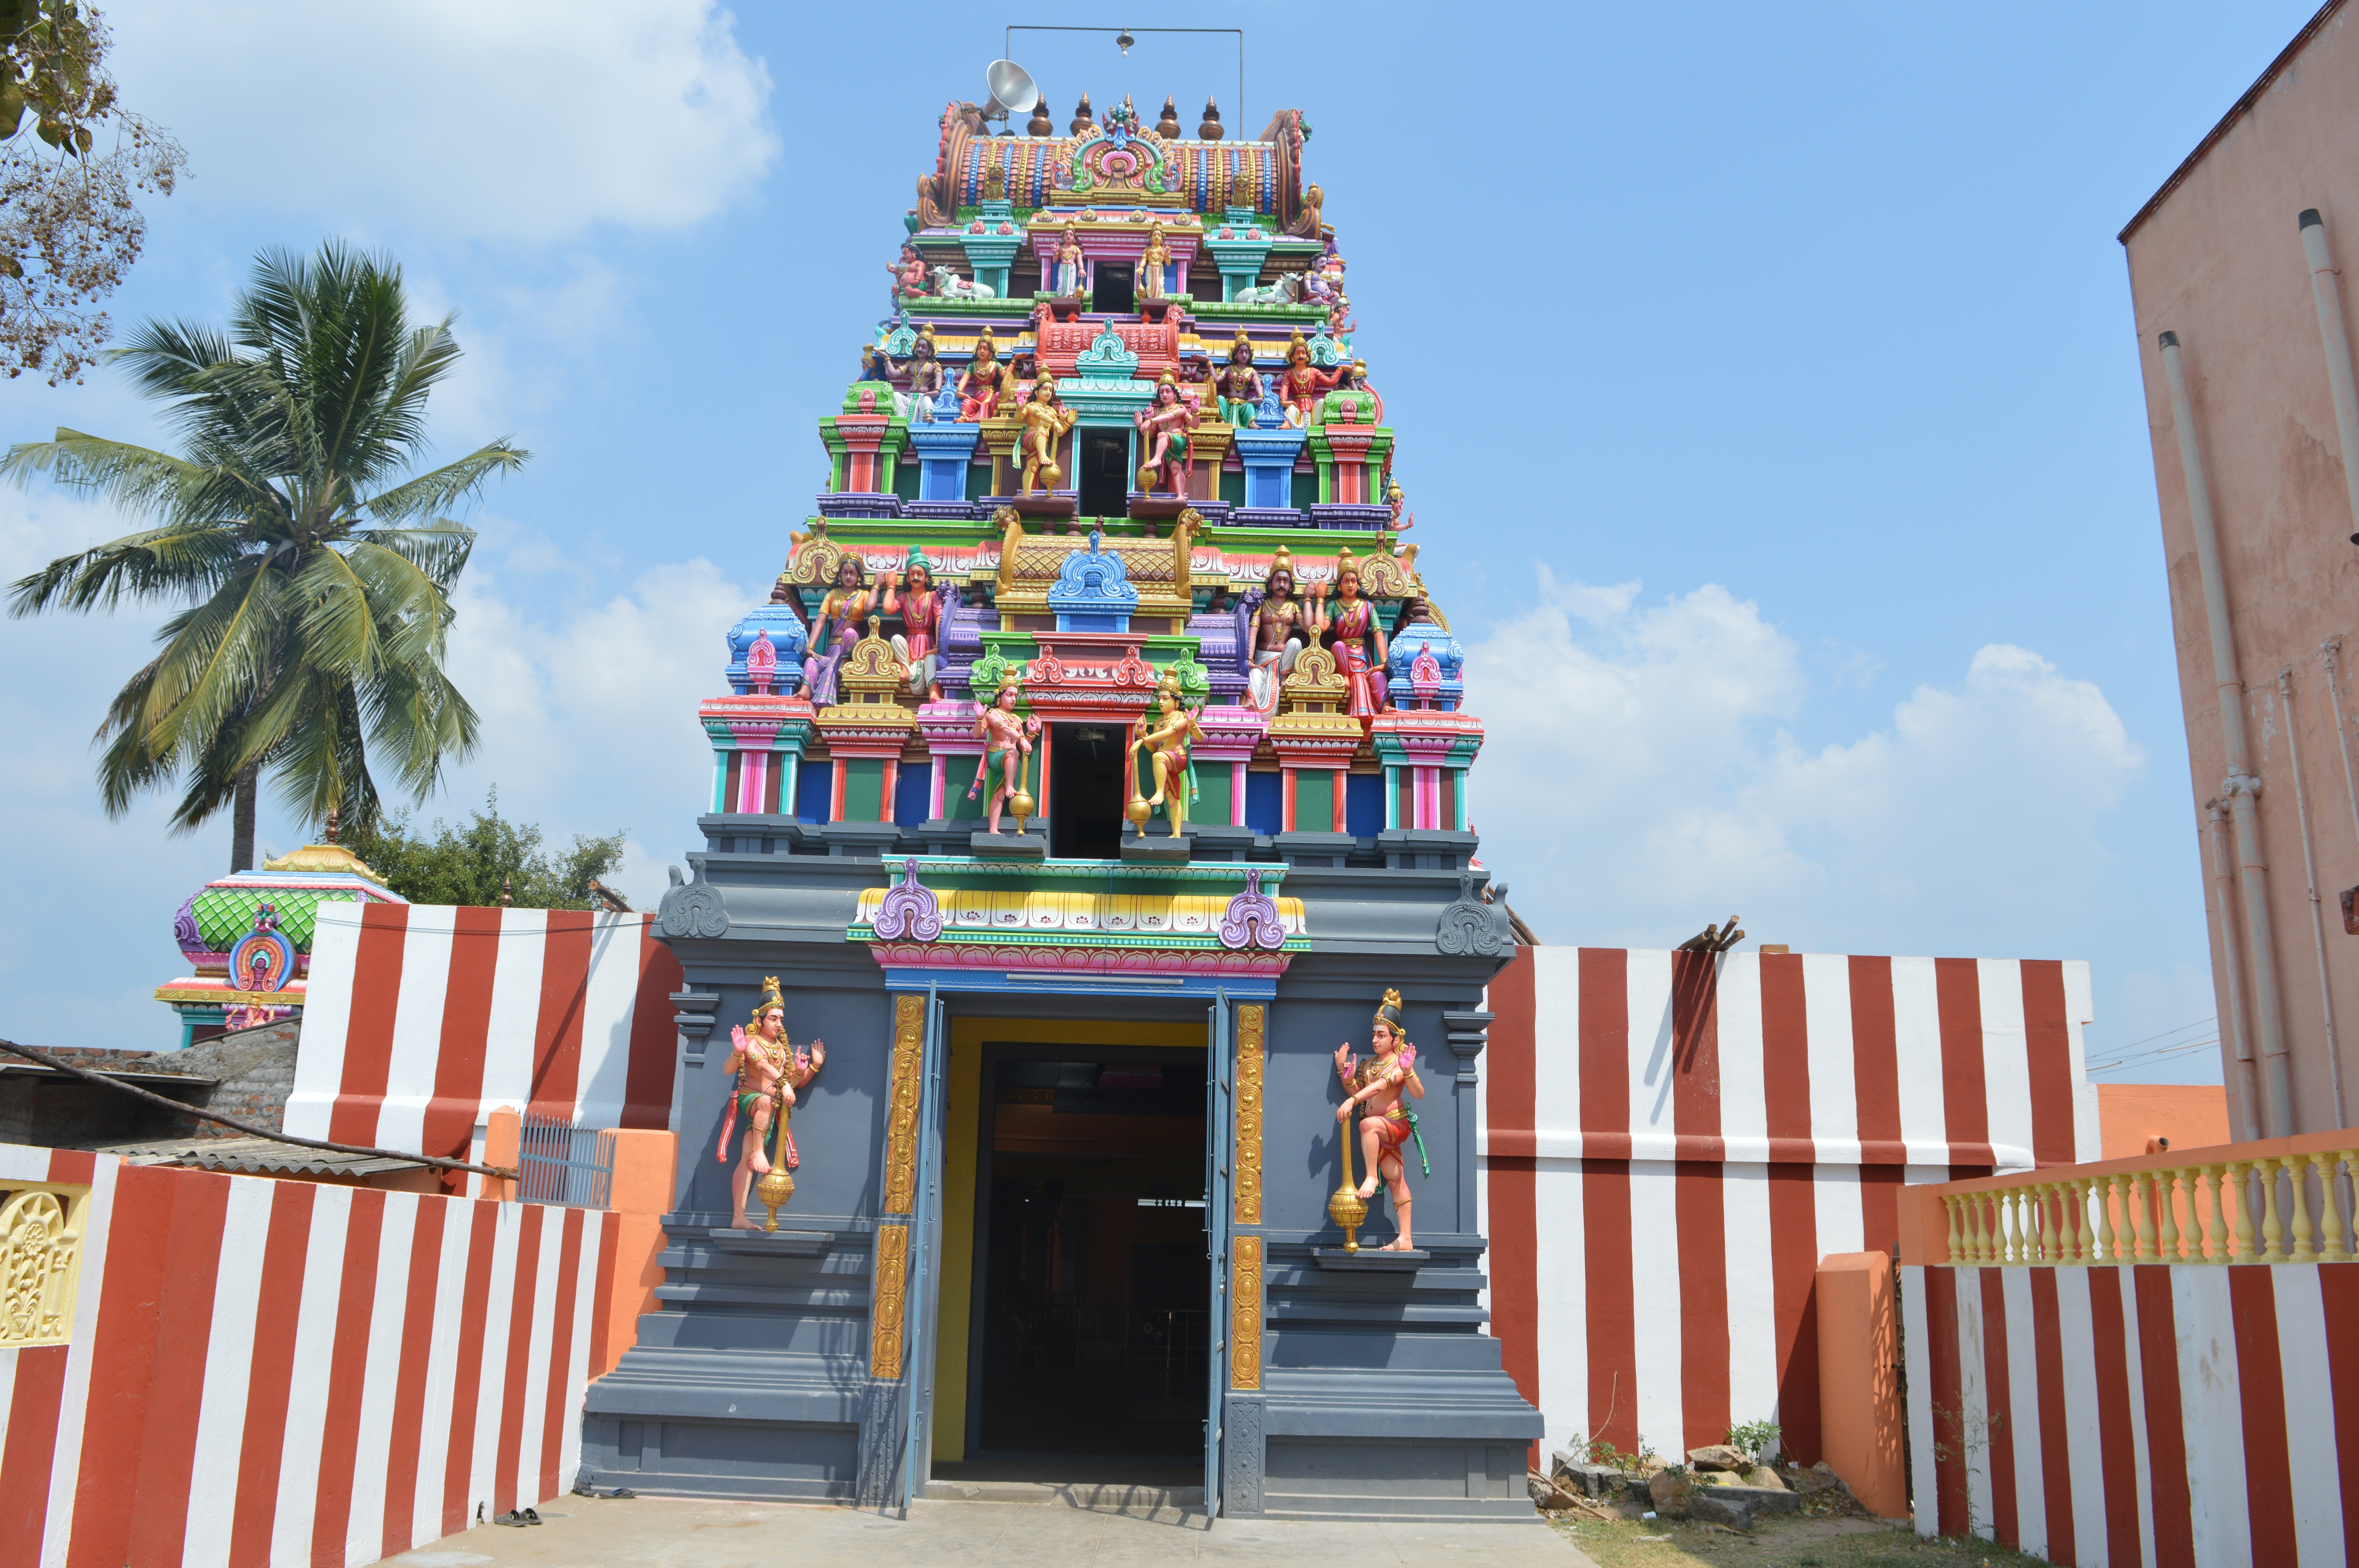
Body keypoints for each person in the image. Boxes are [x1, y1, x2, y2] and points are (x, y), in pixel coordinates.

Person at [718, 978, 825, 1230]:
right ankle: (759, 1152)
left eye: (781, 1020)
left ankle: (738, 1218)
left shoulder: (782, 1049)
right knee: (766, 1102)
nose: (778, 1024)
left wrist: (810, 1068)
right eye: (773, 1019)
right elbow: (762, 1067)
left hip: (766, 1114)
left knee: (745, 1158)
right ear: (760, 1020)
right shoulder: (753, 1042)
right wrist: (738, 1053)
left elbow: (794, 1084)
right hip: (751, 1100)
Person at [1332, 988, 1425, 1251]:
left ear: (1396, 1040)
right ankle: (1406, 1239)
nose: (1375, 1040)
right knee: (1396, 1180)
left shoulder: (1399, 1064)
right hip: (1376, 1136)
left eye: (1381, 1035)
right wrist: (1346, 1075)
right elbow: (1361, 1095)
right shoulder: (1370, 1065)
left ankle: (1371, 1177)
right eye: (1374, 1034)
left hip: (1395, 1126)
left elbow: (1413, 1092)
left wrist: (1408, 1073)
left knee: (1367, 1124)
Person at [1318, 550, 1389, 719]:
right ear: (1339, 586)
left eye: (1353, 581)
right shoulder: (1334, 606)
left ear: (1358, 584)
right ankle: (1344, 677)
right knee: (1338, 645)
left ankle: (1385, 706)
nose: (1350, 585)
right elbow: (1321, 627)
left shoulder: (1368, 607)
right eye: (1346, 581)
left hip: (1362, 656)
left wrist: (1384, 662)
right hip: (1343, 656)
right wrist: (1321, 599)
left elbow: (1379, 634)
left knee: (1377, 675)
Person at [968, 677, 1041, 833]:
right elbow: (980, 734)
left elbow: (1025, 746)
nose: (1014, 699)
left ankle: (993, 829)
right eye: (1009, 695)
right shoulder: (993, 714)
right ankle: (1010, 785)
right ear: (1000, 697)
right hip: (996, 756)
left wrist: (1033, 732)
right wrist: (979, 718)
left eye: (1016, 696)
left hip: (1010, 761)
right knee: (1013, 753)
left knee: (999, 795)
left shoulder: (1015, 719)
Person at [802, 557, 872, 706]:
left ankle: (844, 663)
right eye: (845, 573)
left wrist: (877, 585)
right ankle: (805, 690)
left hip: (851, 648)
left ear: (859, 576)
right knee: (810, 662)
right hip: (832, 648)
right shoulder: (833, 594)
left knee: (850, 633)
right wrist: (811, 647)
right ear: (840, 575)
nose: (848, 577)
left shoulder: (864, 595)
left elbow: (870, 607)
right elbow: (821, 620)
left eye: (852, 573)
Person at [881, 547, 946, 702]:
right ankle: (904, 666)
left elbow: (939, 620)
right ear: (908, 578)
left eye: (920, 574)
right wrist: (891, 587)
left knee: (931, 660)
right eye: (912, 574)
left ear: (927, 578)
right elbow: (888, 609)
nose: (916, 577)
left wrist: (938, 646)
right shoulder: (904, 597)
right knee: (896, 639)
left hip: (929, 643)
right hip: (909, 648)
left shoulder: (934, 597)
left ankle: (934, 690)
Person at [1247, 547, 1307, 712]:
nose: (1282, 584)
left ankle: (1285, 677)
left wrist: (1308, 599)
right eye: (1278, 580)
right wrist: (1250, 660)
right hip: (1263, 659)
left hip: (1284, 661)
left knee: (1296, 642)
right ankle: (1251, 704)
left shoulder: (1294, 607)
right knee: (1255, 676)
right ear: (1271, 583)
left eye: (1286, 581)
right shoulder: (1262, 606)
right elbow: (1253, 633)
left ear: (1291, 584)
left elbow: (1310, 629)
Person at [1133, 373, 1192, 496]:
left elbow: (1191, 424)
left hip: (1179, 441)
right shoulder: (1157, 413)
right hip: (1167, 446)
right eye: (1162, 392)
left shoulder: (1180, 408)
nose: (1165, 395)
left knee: (1163, 435)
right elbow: (1151, 436)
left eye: (1168, 391)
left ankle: (1157, 458)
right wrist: (1142, 425)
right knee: (1176, 469)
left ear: (1175, 394)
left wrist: (1195, 412)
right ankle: (1180, 496)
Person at [1213, 329, 1263, 429]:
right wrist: (1208, 363)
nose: (1244, 355)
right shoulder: (1229, 369)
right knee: (1220, 399)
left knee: (1250, 407)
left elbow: (1258, 386)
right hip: (1229, 404)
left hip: (1243, 405)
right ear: (1236, 354)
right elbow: (1216, 380)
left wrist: (1260, 397)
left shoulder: (1252, 372)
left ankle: (1252, 424)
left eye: (1246, 352)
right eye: (1241, 352)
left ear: (1250, 354)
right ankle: (1223, 421)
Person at [958, 329, 1009, 422]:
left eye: (986, 349)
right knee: (967, 402)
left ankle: (995, 417)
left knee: (998, 396)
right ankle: (963, 418)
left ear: (991, 353)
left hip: (991, 398)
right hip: (977, 398)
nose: (982, 351)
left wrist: (1014, 362)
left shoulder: (996, 365)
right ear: (976, 351)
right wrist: (960, 392)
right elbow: (963, 382)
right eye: (980, 348)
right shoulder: (972, 366)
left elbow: (1007, 378)